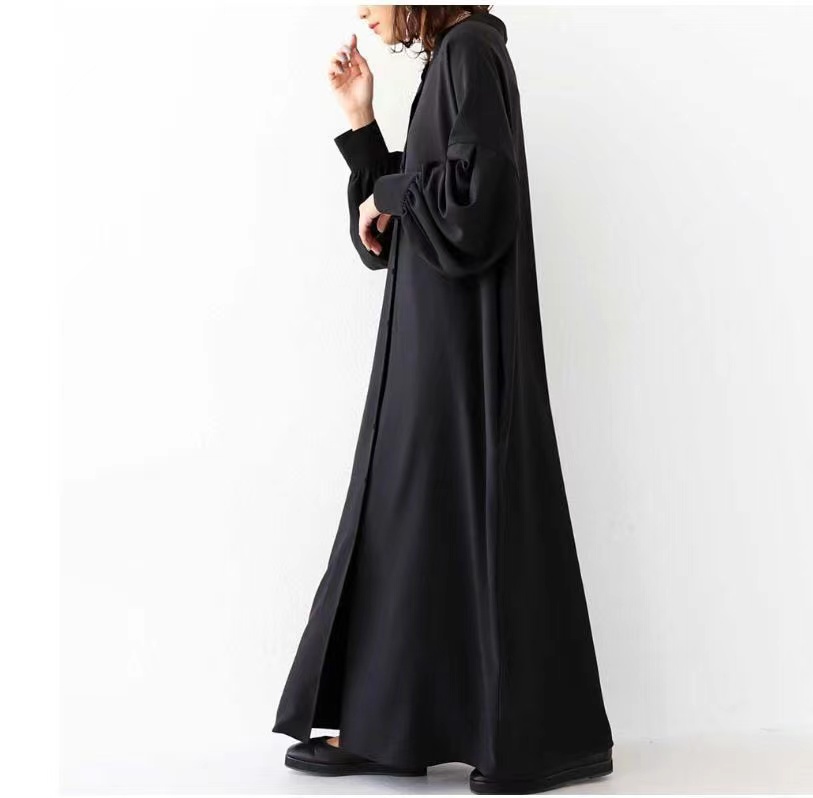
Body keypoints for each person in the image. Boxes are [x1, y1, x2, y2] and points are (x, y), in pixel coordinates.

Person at [272, 6, 615, 794]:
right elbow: (406, 223)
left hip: (457, 350)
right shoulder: (454, 59)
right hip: (436, 341)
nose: (362, 10)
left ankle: (526, 740)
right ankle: (398, 727)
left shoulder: (470, 53)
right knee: (419, 523)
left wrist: (391, 192)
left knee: (426, 514)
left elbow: (475, 204)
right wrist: (363, 128)